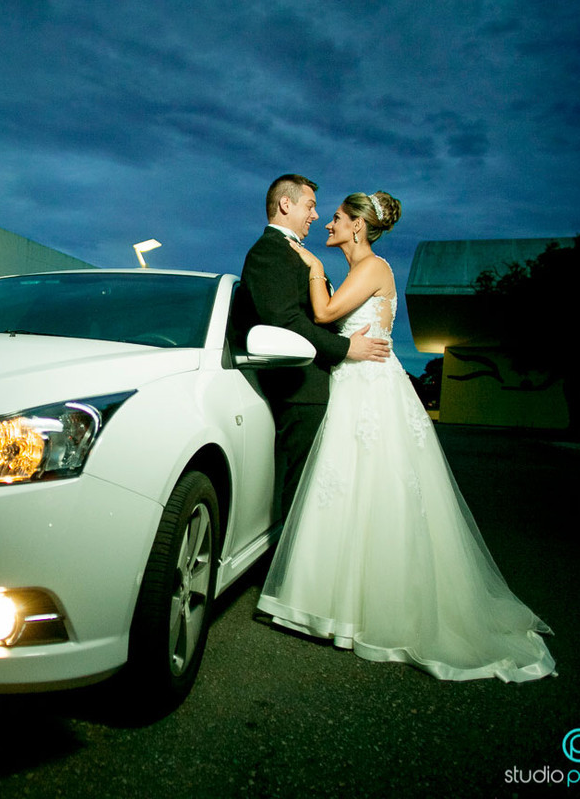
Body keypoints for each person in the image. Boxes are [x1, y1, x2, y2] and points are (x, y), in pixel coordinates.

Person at [256, 191, 556, 682]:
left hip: (370, 389)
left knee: (375, 489)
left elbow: (327, 315)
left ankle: (373, 606)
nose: (326, 223)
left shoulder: (373, 266)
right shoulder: (360, 269)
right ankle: (332, 604)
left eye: (335, 217)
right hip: (353, 382)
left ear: (357, 226)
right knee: (347, 490)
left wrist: (311, 266)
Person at [234, 175, 389, 523]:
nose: (317, 217)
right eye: (311, 206)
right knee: (302, 493)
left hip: (325, 388)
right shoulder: (269, 252)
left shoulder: (298, 254)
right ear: (285, 205)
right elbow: (285, 320)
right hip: (300, 391)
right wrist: (344, 347)